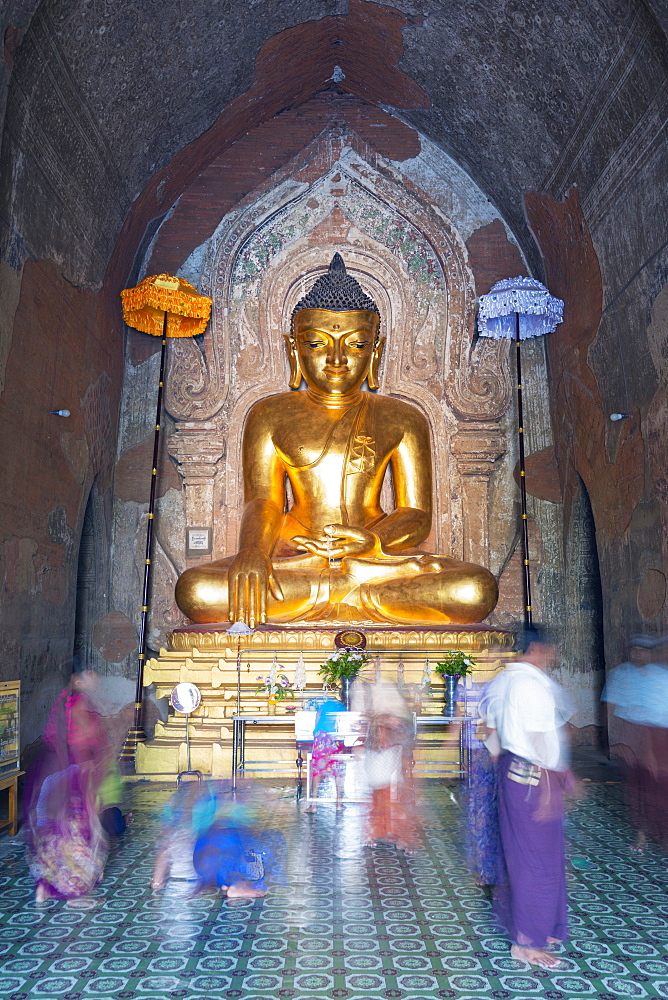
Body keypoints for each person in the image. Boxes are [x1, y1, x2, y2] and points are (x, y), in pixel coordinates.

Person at [175, 253, 497, 627]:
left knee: (475, 588)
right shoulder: (268, 414)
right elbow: (264, 500)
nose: (338, 359)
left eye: (357, 345)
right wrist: (252, 553)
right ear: (293, 348)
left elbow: (415, 514)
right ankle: (355, 596)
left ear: (376, 351)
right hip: (296, 558)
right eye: (317, 344)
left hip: (374, 561)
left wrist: (372, 543)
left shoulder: (405, 417)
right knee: (196, 590)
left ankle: (344, 590)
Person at [484, 625, 576, 970]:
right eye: (548, 650)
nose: (551, 656)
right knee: (535, 859)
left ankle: (548, 926)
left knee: (541, 854)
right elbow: (539, 738)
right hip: (536, 775)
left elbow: (491, 735)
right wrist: (551, 781)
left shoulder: (503, 680)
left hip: (515, 771)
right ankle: (526, 943)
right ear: (536, 648)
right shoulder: (530, 683)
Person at [25, 667, 110, 903]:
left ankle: (44, 885)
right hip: (74, 772)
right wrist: (91, 769)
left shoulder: (63, 699)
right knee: (79, 830)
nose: (95, 678)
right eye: (90, 675)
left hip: (54, 771)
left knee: (51, 829)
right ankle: (75, 889)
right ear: (78, 680)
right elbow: (84, 739)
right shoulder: (79, 703)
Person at [355, 678, 421, 852]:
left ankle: (400, 838)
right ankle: (376, 833)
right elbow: (366, 717)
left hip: (393, 750)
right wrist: (379, 721)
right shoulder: (365, 690)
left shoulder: (390, 689)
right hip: (377, 752)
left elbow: (402, 721)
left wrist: (390, 722)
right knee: (378, 795)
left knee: (396, 797)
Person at [305, 697, 347, 812]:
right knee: (338, 769)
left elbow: (318, 715)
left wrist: (315, 732)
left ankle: (313, 805)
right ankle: (339, 803)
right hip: (336, 737)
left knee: (317, 770)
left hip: (322, 736)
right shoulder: (344, 707)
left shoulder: (326, 703)